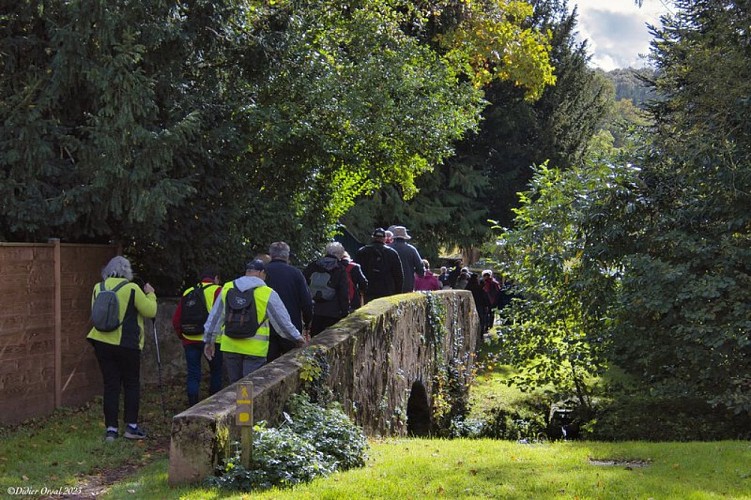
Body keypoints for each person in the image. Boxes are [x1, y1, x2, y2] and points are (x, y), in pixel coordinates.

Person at [87, 256, 157, 442]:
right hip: (127, 344)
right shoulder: (132, 288)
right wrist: (151, 294)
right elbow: (150, 311)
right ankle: (131, 427)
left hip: (101, 342)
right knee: (131, 384)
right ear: (127, 271)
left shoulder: (98, 287)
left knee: (111, 385)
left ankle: (111, 429)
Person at [203, 259, 306, 383]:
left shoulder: (227, 288)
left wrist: (209, 341)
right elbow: (282, 324)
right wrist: (297, 338)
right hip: (254, 350)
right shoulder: (267, 293)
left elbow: (215, 318)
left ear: (247, 272)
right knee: (249, 388)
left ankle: (235, 402)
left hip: (230, 346)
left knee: (234, 386)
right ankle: (245, 403)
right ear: (262, 273)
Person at [172, 268, 223, 407]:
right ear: (216, 278)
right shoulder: (218, 291)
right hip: (212, 340)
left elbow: (176, 319)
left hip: (190, 338)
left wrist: (182, 335)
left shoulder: (188, 292)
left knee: (193, 372)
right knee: (216, 371)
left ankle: (192, 404)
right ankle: (214, 403)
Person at [264, 242, 314, 362]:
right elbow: (306, 302)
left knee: (268, 366)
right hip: (291, 326)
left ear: (271, 255)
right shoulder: (295, 273)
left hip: (266, 326)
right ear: (287, 256)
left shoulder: (262, 272)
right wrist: (307, 323)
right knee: (291, 362)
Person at [303, 242, 350, 337]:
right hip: (333, 311)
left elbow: (304, 284)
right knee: (330, 339)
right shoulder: (339, 268)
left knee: (315, 339)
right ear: (340, 254)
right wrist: (345, 312)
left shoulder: (314, 265)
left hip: (315, 309)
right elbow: (343, 292)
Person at [355, 228, 403, 303]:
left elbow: (356, 272)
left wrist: (360, 289)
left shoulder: (362, 251)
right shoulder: (392, 253)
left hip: (368, 289)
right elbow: (398, 276)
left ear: (373, 237)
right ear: (385, 239)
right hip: (387, 290)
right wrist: (397, 293)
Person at [388, 226, 425, 293]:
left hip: (390, 284)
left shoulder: (388, 248)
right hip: (407, 285)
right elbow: (420, 269)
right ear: (405, 237)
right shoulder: (411, 249)